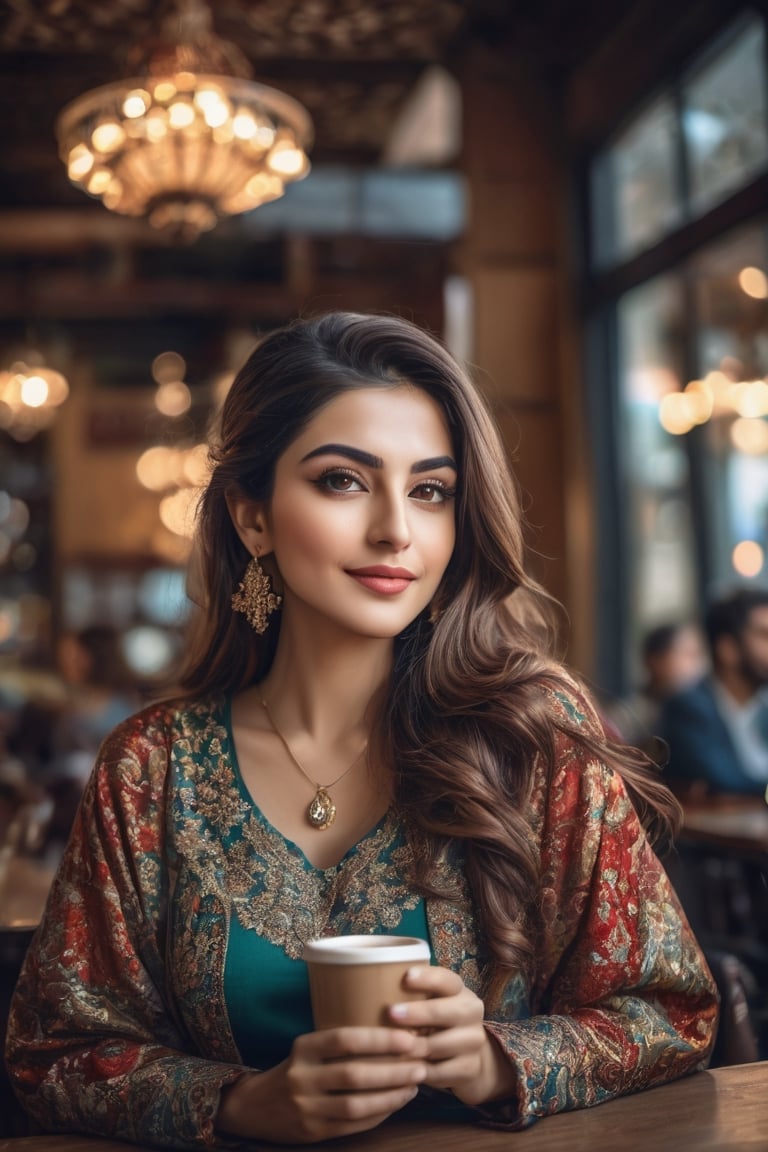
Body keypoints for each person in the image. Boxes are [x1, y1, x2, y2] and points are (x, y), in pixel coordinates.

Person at [6, 312, 716, 1148]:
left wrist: (495, 1058)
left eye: (430, 490)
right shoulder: (152, 769)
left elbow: (674, 1010)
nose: (396, 530)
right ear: (252, 517)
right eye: (343, 480)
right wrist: (242, 1105)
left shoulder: (534, 743)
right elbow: (55, 1054)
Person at [659, 587, 768, 796]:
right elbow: (725, 783)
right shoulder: (688, 707)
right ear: (728, 649)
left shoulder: (761, 710)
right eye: (764, 635)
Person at [605, 621, 707, 754]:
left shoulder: (702, 712)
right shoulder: (624, 717)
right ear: (655, 660)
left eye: (698, 655)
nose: (698, 665)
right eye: (688, 655)